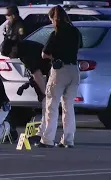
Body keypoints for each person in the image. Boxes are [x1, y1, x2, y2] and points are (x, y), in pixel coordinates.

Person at [35, 5, 82, 148]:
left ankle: (47, 139)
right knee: (69, 106)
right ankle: (68, 140)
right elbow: (79, 47)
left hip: (59, 71)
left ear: (53, 18)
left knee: (52, 105)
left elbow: (44, 53)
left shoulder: (56, 33)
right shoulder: (75, 31)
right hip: (74, 70)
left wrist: (53, 56)